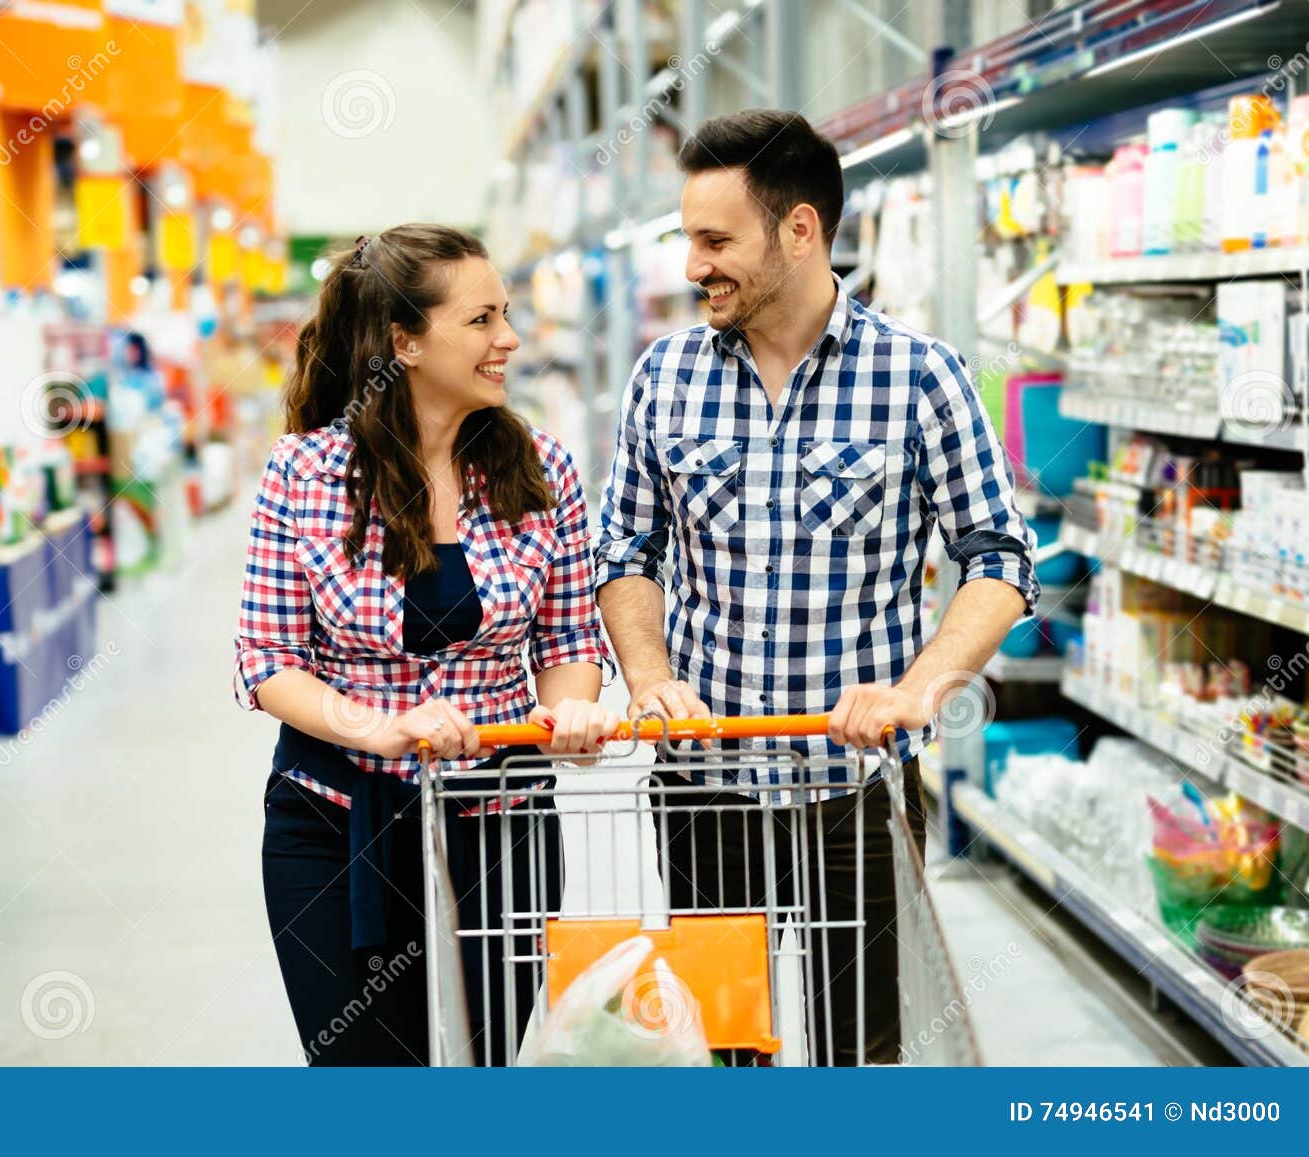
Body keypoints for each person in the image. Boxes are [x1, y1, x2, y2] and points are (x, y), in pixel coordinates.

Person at [596, 110, 1038, 1065]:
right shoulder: (661, 378)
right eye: (688, 238)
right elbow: (625, 550)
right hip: (703, 788)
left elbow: (1000, 559)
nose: (691, 265)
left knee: (861, 1057)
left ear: (799, 230)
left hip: (857, 793)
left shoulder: (921, 378)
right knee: (723, 1049)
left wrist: (917, 692)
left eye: (715, 240)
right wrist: (645, 675)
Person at [233, 224, 619, 1067]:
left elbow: (569, 636)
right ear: (404, 341)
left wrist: (571, 711)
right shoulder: (305, 474)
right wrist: (379, 727)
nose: (509, 339)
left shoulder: (542, 469)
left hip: (502, 825)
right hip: (334, 826)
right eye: (482, 320)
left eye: (507, 315)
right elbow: (267, 660)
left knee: (479, 1074)